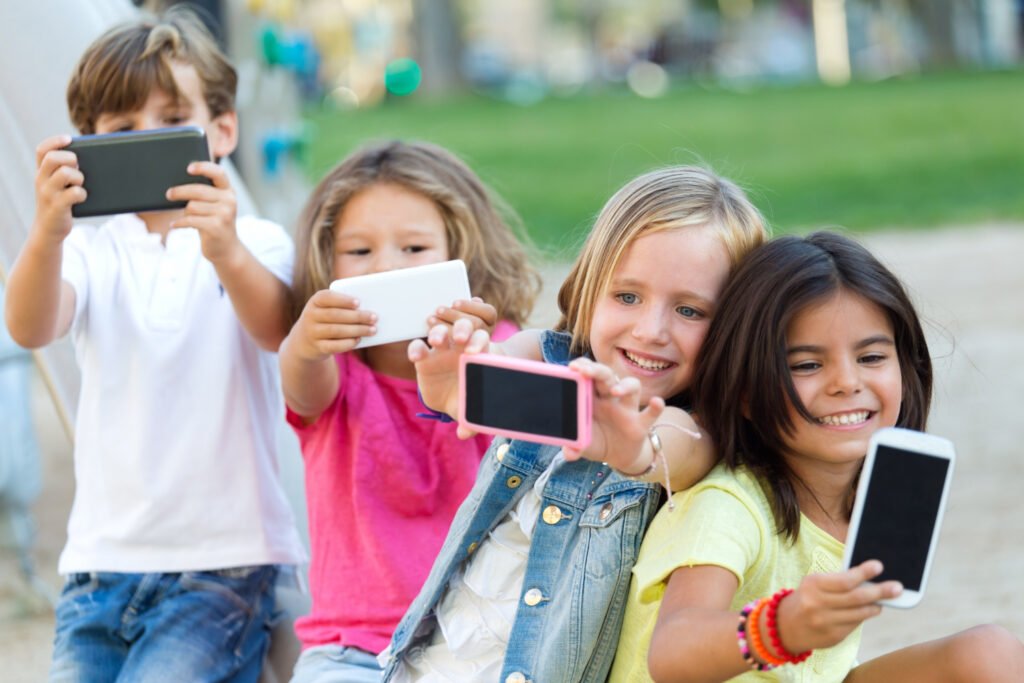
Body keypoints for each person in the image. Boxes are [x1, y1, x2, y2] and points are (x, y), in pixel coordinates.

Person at [3, 8, 306, 681]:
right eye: (122, 130)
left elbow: (275, 328)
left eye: (172, 118)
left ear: (222, 129)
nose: (149, 140)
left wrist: (223, 247)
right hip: (98, 562)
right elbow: (31, 324)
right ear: (89, 146)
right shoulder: (88, 247)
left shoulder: (254, 238)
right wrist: (47, 232)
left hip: (224, 561)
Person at [380, 165, 770, 683]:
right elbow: (491, 377)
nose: (651, 330)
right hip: (432, 662)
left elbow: (673, 449)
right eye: (627, 297)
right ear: (589, 288)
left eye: (690, 311)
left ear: (733, 328)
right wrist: (457, 382)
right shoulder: (550, 359)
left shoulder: (695, 426)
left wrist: (632, 448)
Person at [610, 231, 1024, 682]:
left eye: (871, 357)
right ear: (745, 392)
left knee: (988, 653)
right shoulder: (731, 504)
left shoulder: (887, 493)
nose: (846, 382)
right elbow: (673, 653)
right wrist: (784, 626)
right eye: (806, 365)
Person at [277, 139, 541, 683]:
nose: (386, 269)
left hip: (475, 641)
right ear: (326, 262)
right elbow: (301, 384)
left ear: (458, 251)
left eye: (414, 249)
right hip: (349, 647)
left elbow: (539, 431)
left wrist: (478, 360)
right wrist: (304, 341)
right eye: (359, 251)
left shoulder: (497, 348)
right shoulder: (331, 369)